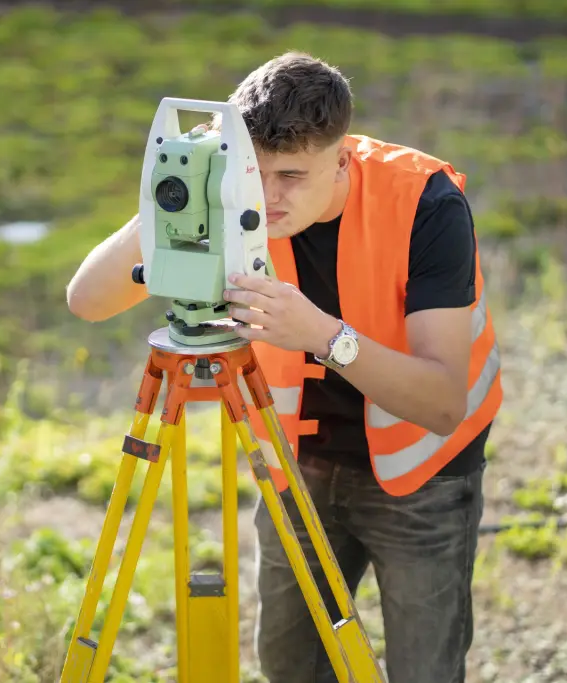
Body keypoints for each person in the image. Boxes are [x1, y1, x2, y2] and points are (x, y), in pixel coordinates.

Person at [65, 51, 503, 683]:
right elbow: (87, 300)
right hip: (298, 467)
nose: (267, 198)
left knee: (424, 671)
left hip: (424, 473)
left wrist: (323, 335)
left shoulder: (426, 204)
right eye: (255, 172)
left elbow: (441, 403)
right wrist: (184, 178)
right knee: (290, 666)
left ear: (342, 158)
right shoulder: (225, 182)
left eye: (292, 176)